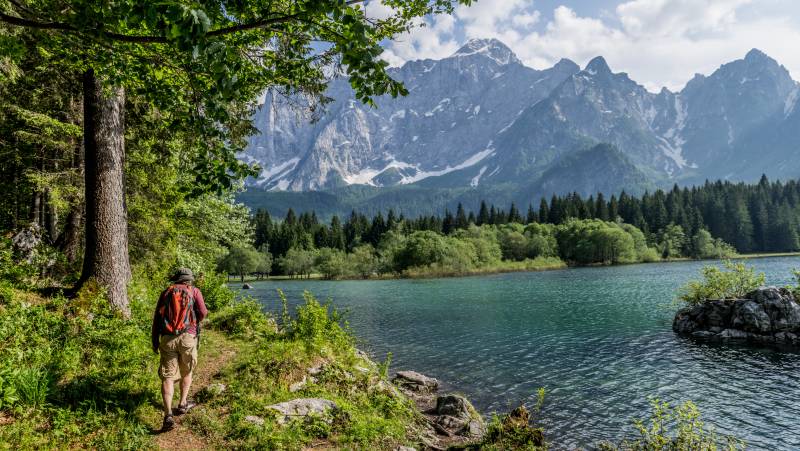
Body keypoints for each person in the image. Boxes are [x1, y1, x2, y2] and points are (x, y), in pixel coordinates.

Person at [151, 268, 208, 432]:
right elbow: (203, 312)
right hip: (188, 337)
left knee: (168, 376)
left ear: (176, 279)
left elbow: (157, 318)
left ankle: (168, 414)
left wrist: (155, 341)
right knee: (187, 371)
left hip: (167, 338)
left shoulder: (166, 292)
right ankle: (182, 404)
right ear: (189, 280)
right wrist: (194, 322)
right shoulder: (194, 291)